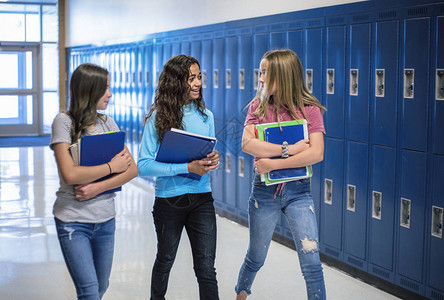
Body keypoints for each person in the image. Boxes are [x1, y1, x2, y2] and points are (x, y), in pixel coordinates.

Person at [235, 49, 327, 300]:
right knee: (256, 256)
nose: (260, 78)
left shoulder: (309, 110)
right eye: (260, 72)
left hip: (299, 193)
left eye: (266, 73)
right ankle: (240, 295)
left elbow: (316, 153)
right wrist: (290, 149)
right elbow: (248, 144)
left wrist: (273, 163)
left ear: (283, 76)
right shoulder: (258, 106)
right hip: (264, 194)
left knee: (311, 262)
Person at [50, 63, 138, 300]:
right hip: (73, 221)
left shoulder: (108, 123)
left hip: (105, 220)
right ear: (90, 90)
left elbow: (131, 170)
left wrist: (97, 187)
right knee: (89, 292)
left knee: (100, 287)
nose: (110, 94)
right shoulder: (64, 122)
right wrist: (111, 168)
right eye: (105, 88)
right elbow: (69, 174)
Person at [137, 55, 220, 300]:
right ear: (176, 82)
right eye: (190, 78)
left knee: (206, 269)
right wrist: (186, 167)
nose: (197, 83)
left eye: (199, 77)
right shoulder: (158, 118)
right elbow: (143, 165)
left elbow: (208, 152)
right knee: (165, 261)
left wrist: (211, 161)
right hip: (169, 201)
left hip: (202, 198)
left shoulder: (207, 116)